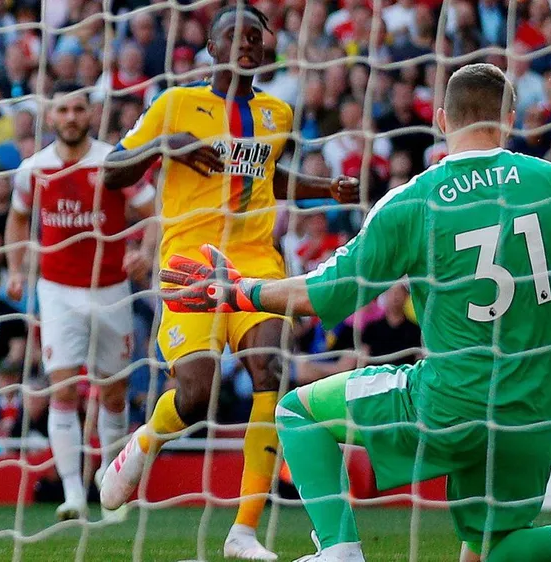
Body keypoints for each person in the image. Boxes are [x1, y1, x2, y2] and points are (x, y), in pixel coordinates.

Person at [157, 63, 551, 562]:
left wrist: (241, 292)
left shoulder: (414, 200)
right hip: (534, 411)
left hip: (447, 401)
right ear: (510, 119)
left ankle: (339, 553)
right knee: (494, 549)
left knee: (296, 412)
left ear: (441, 122)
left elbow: (324, 297)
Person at [97, 6, 358, 560]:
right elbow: (113, 170)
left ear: (266, 50)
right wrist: (170, 147)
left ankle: (243, 530)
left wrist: (324, 187)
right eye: (232, 35)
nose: (245, 43)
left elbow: (269, 177)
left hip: (256, 262)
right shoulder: (174, 106)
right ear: (211, 48)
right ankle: (145, 441)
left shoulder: (277, 113)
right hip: (189, 260)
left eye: (255, 36)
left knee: (271, 369)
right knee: (196, 393)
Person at [3, 82, 156, 521]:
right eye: (63, 110)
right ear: (51, 116)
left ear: (90, 114)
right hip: (57, 292)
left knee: (113, 393)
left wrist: (145, 252)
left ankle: (109, 486)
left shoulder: (111, 162)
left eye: (78, 109)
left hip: (110, 289)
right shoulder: (35, 169)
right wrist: (16, 267)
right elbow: (17, 218)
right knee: (63, 388)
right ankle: (72, 493)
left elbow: (153, 212)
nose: (71, 117)